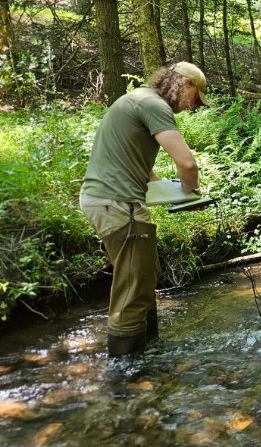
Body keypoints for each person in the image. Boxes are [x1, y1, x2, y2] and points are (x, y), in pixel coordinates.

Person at [79, 62, 208, 357]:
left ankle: (149, 351)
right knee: (133, 288)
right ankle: (127, 372)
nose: (192, 106)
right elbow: (187, 164)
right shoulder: (155, 106)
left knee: (144, 273)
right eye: (195, 97)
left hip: (105, 200)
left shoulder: (137, 98)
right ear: (185, 83)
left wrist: (173, 194)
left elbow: (139, 166)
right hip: (118, 203)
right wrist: (190, 193)